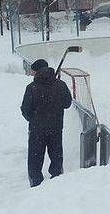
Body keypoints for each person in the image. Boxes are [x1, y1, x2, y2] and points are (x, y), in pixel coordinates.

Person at [21, 59, 73, 187]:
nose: (32, 74)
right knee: (56, 155)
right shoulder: (60, 85)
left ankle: (35, 182)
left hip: (37, 129)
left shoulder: (32, 88)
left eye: (33, 71)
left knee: (35, 157)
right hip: (56, 127)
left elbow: (25, 109)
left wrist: (33, 119)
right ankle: (57, 179)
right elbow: (67, 103)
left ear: (37, 71)